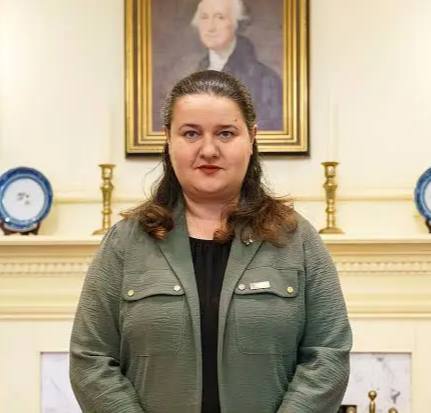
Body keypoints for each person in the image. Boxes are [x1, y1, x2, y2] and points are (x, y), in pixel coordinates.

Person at [70, 70, 352, 413]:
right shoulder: (124, 243)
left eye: (225, 133)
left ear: (252, 138)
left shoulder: (297, 239)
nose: (208, 149)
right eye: (191, 133)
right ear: (168, 139)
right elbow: (90, 359)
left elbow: (328, 355)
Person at [191, 0, 283, 131]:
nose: (210, 27)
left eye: (220, 17)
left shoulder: (265, 79)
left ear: (237, 23)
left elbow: (270, 132)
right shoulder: (196, 75)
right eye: (204, 17)